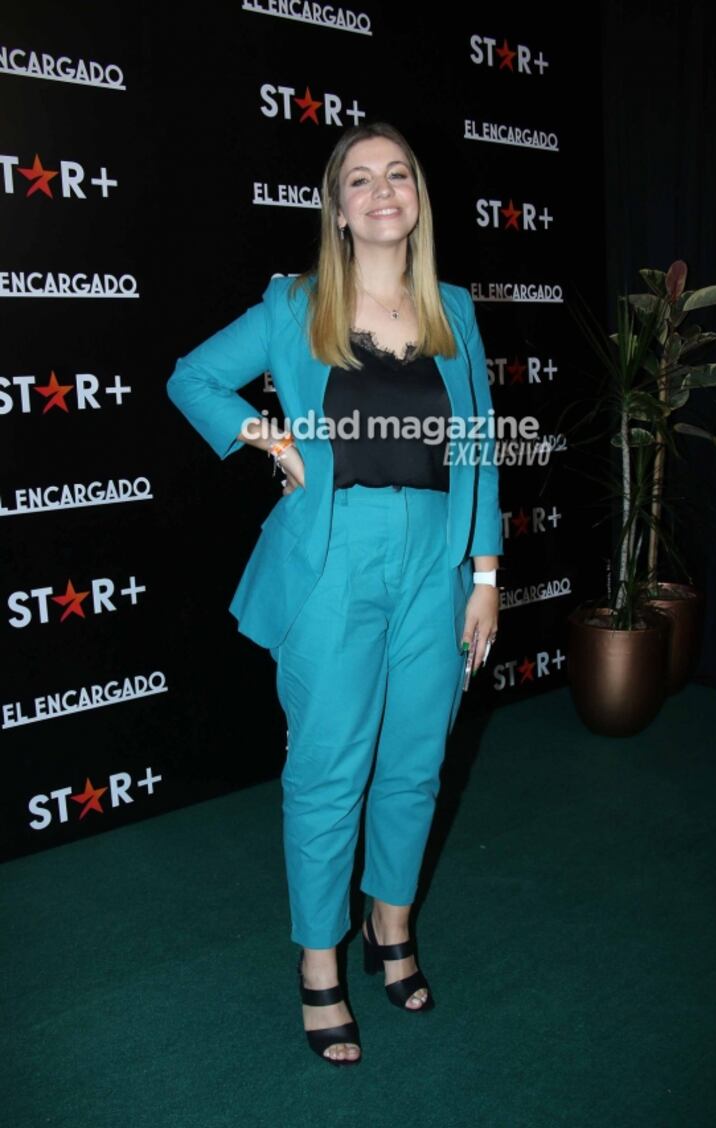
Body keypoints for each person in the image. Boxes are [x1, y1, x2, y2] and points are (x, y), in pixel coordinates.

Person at [166, 121, 503, 1066]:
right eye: (361, 179)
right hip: (331, 560)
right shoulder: (295, 304)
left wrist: (483, 576)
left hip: (436, 560)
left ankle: (389, 925)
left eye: (398, 174)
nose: (383, 190)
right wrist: (269, 440)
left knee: (414, 763)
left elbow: (476, 445)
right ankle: (320, 963)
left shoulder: (455, 309)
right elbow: (191, 378)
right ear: (339, 207)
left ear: (417, 199)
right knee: (327, 772)